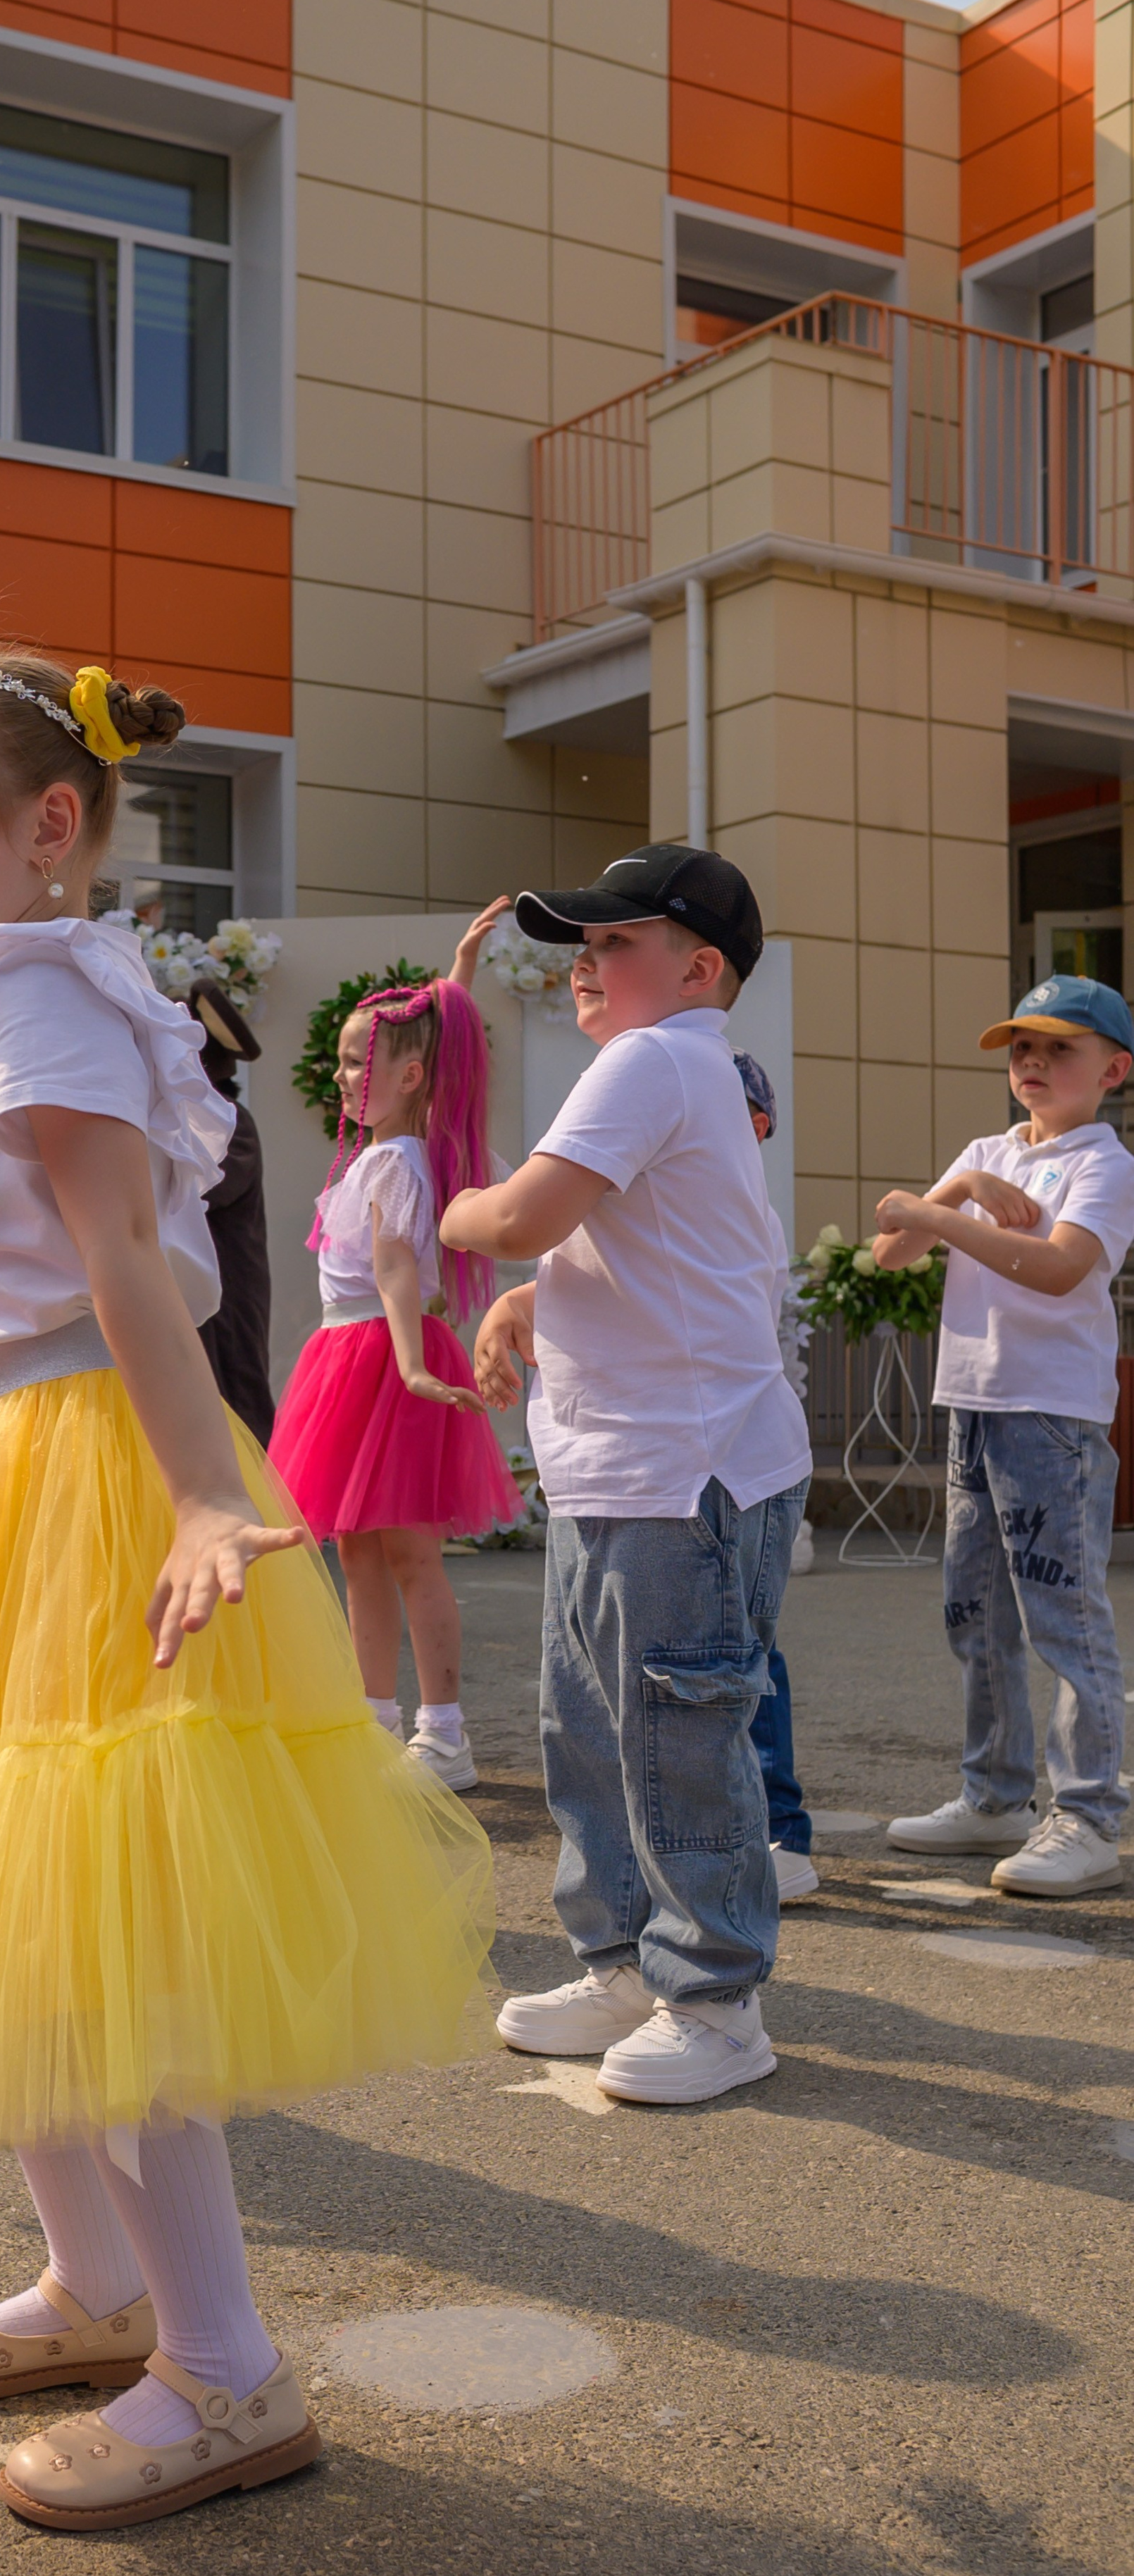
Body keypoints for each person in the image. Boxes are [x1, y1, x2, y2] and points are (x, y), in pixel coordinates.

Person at [0, 647, 494, 2532]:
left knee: (91, 1909)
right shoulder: (11, 985)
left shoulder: (37, 989)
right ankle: (101, 2286)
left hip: (82, 1467)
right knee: (5, 1894)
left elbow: (129, 1248)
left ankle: (222, 2365)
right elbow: (45, 1220)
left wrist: (209, 1490)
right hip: (15, 1456)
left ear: (47, 827)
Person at [449, 843, 811, 2105]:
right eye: (583, 944)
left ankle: (715, 1998)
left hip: (681, 1478)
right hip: (631, 1471)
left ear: (699, 967)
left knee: (674, 1738)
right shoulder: (683, 1073)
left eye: (614, 943)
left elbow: (518, 1213)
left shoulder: (654, 1060)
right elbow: (675, 1253)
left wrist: (443, 1208)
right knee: (595, 1731)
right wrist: (536, 1298)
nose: (583, 966)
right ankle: (621, 1964)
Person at [872, 976, 1134, 1898]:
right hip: (975, 1405)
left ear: (1114, 1068)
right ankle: (995, 1794)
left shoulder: (1104, 1162)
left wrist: (935, 1209)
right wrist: (962, 1186)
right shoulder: (989, 1152)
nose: (1032, 1061)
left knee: (1064, 1616)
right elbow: (887, 1249)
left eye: (1059, 1047)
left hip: (1052, 1416)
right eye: (1021, 1045)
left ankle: (1092, 1813)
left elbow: (1060, 1267)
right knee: (973, 1610)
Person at [268, 965, 522, 1793]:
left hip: (380, 1359)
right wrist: (457, 974)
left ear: (408, 1077)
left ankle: (440, 1736)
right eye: (342, 1061)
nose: (340, 1076)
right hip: (360, 1357)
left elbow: (393, 1271)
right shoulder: (401, 1152)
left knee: (407, 1555)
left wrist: (410, 1365)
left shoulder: (389, 1163)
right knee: (366, 1557)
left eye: (355, 1062)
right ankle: (377, 1723)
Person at [731, 1047, 818, 1906]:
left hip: (743, 1460)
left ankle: (779, 1828)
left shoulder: (744, 1213)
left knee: (746, 1651)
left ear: (757, 1126)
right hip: (700, 1460)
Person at [186, 981, 275, 1445]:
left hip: (225, 1305)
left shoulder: (230, 1122)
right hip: (193, 1302)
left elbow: (192, 1191)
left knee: (235, 1418)